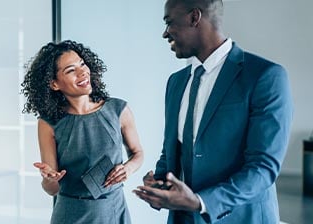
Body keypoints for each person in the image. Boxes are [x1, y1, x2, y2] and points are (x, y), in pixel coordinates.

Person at [133, 0, 293, 223]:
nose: (165, 33)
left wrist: (201, 202)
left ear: (194, 18)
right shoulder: (176, 82)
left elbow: (262, 169)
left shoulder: (264, 76)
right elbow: (172, 151)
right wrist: (159, 184)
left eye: (169, 23)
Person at [21, 40, 144, 224]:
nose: (82, 72)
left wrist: (128, 168)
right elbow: (52, 189)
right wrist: (49, 179)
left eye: (82, 64)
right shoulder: (48, 123)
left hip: (113, 211)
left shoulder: (118, 110)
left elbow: (138, 153)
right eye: (71, 70)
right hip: (70, 214)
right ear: (54, 84)